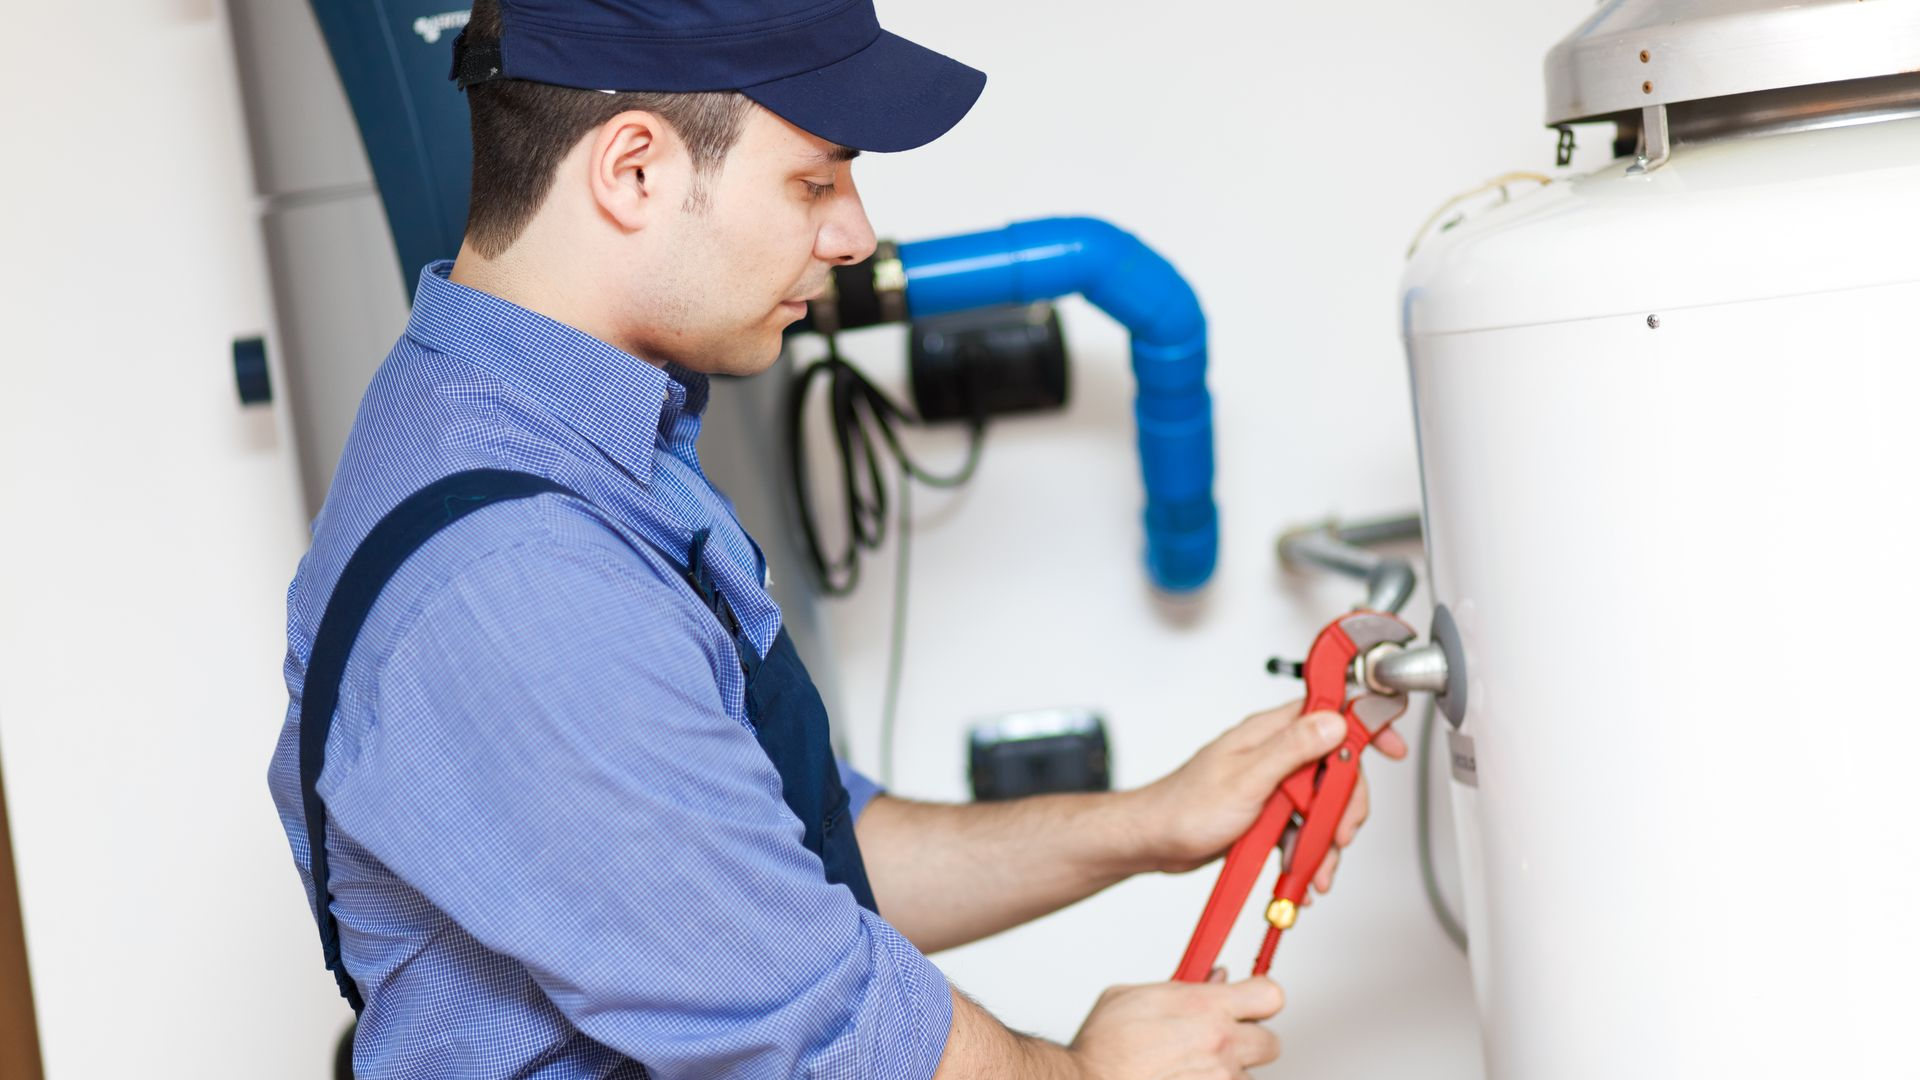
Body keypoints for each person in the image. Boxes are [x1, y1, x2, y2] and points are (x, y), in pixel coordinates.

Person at [266, 1, 1405, 1076]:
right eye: (814, 180)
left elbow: (779, 860)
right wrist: (1087, 1069)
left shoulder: (571, 431)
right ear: (634, 170)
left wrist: (1150, 823)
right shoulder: (518, 579)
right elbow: (816, 1034)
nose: (855, 233)